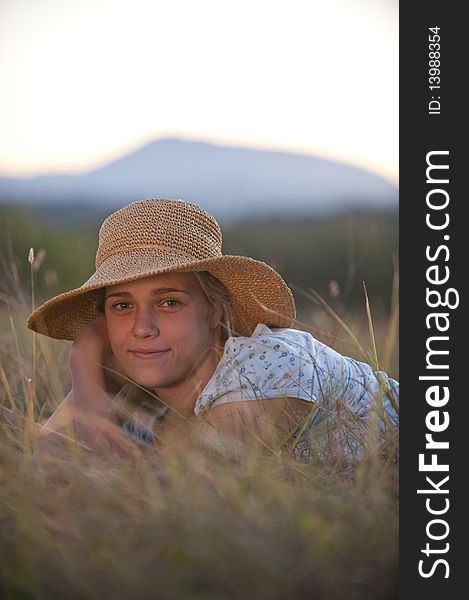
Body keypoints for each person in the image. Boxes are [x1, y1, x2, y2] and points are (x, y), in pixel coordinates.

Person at [28, 197, 398, 461]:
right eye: (122, 306)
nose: (142, 328)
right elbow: (46, 463)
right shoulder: (144, 374)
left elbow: (160, 492)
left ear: (213, 311)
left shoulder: (268, 367)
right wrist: (87, 363)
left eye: (169, 302)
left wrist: (84, 364)